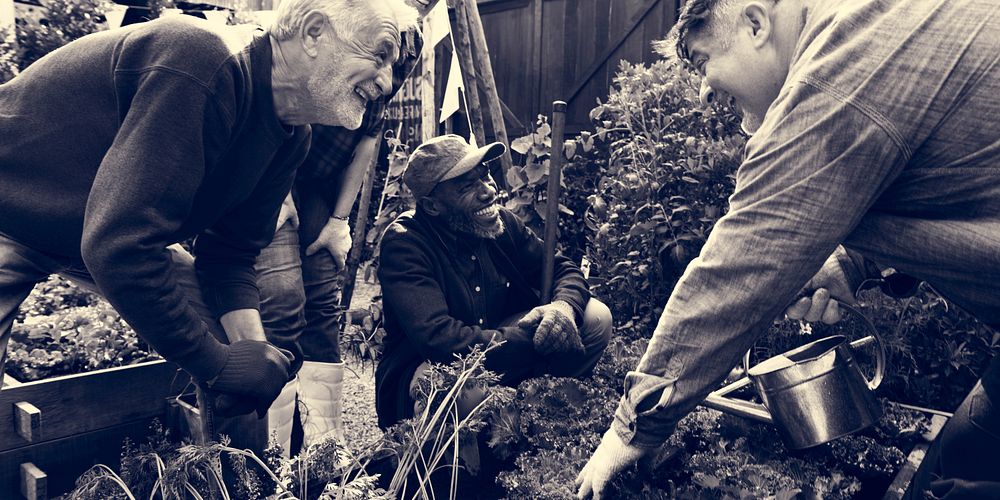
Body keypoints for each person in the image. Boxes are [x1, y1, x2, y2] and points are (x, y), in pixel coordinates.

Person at [574, 0, 1000, 498]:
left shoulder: (837, 69)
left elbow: (743, 258)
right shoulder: (872, 29)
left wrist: (630, 427)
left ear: (755, 24)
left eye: (702, 60)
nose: (703, 90)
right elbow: (950, 185)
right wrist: (847, 265)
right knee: (961, 455)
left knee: (954, 482)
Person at [0, 0, 413, 452]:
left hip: (89, 230)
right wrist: (216, 364)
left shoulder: (292, 136)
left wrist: (254, 359)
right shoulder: (201, 63)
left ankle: (236, 469)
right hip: (11, 210)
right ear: (314, 33)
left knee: (230, 333)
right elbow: (118, 248)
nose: (387, 80)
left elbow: (229, 256)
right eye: (379, 54)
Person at [259, 18, 423, 453]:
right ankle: (271, 454)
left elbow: (369, 134)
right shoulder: (340, 19)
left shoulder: (409, 40)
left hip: (321, 181)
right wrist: (275, 190)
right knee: (279, 297)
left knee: (320, 293)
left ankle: (323, 447)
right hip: (272, 161)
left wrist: (339, 220)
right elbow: (280, 102)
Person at [374, 134, 614, 430]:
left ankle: (539, 416)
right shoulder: (405, 244)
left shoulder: (500, 223)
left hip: (500, 353)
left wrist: (563, 309)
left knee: (595, 317)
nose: (488, 191)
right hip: (434, 365)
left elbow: (562, 268)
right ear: (432, 206)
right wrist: (535, 340)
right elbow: (441, 340)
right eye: (467, 186)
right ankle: (462, 461)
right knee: (467, 391)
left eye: (485, 175)